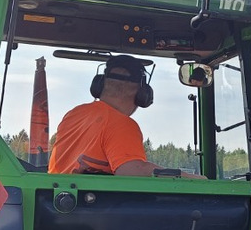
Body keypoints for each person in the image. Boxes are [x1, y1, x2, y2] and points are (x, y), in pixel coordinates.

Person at [48, 55, 176, 176]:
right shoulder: (121, 124)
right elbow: (132, 171)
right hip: (90, 198)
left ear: (100, 85)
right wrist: (190, 178)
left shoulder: (74, 114)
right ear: (142, 93)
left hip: (53, 195)